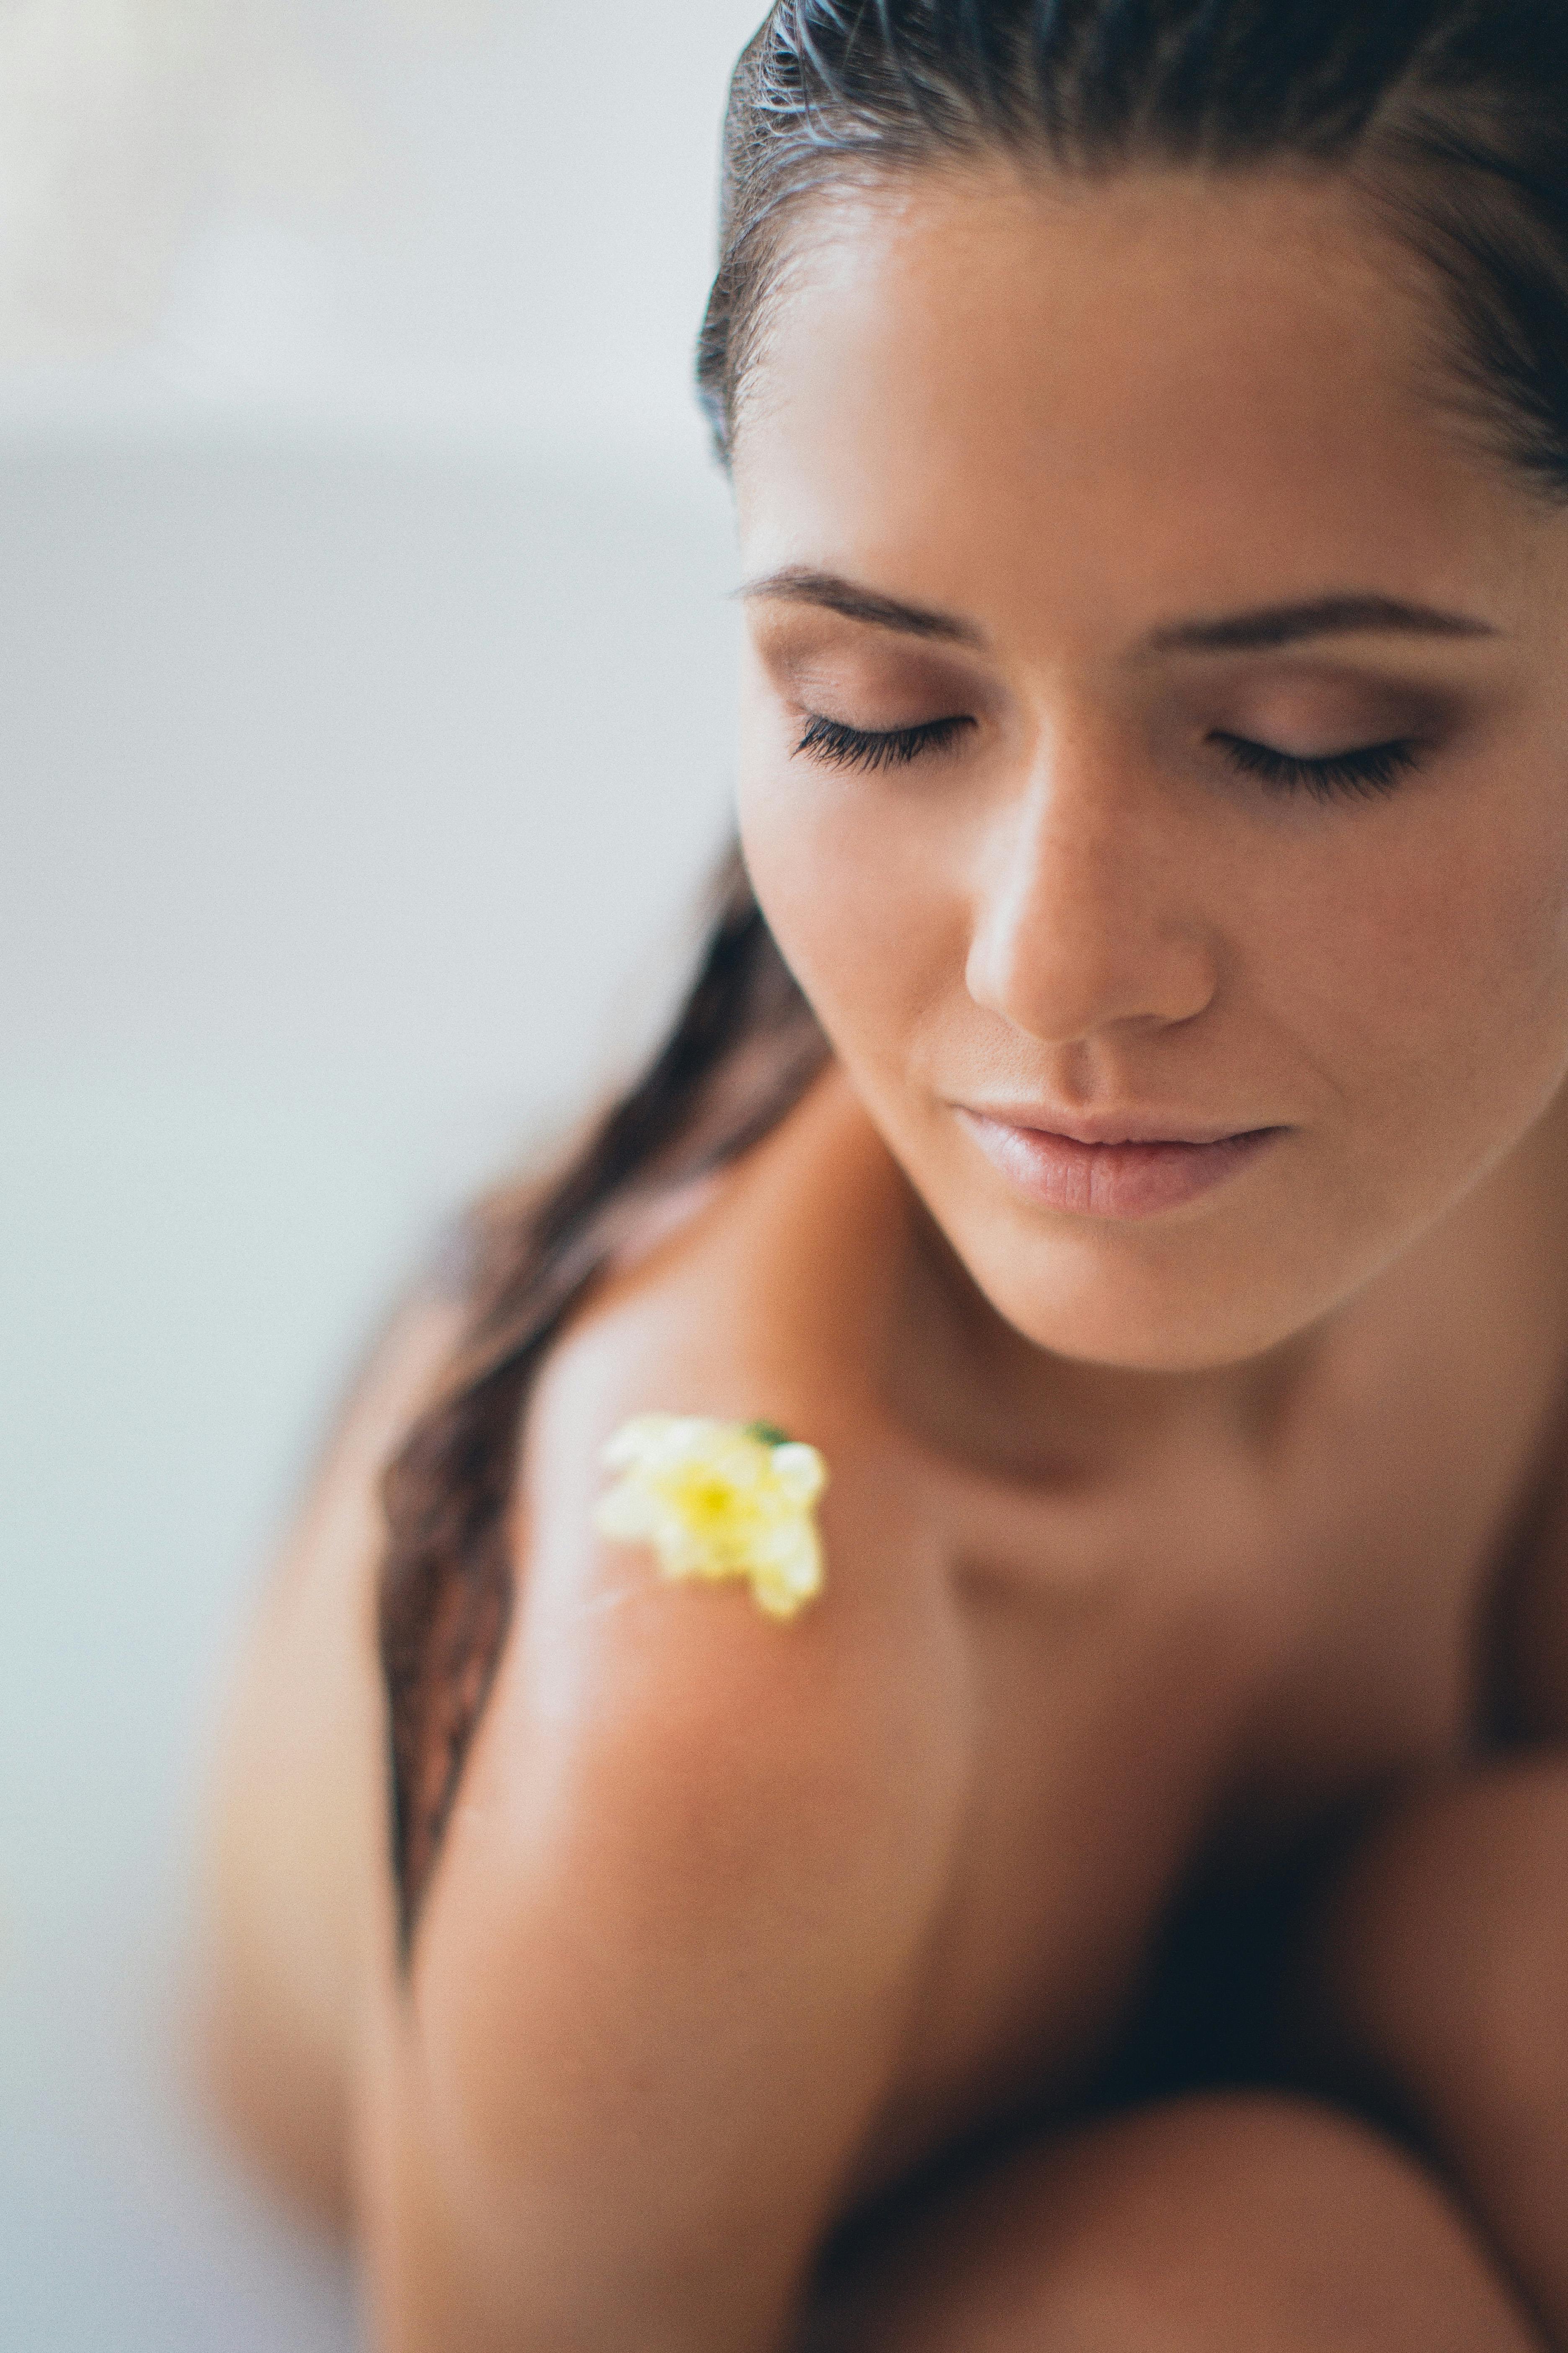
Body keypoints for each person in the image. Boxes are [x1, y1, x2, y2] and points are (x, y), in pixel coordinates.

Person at [201, 5, 1568, 2346]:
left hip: (1312, 1955)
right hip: (705, 2206)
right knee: (1257, 2287)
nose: (1057, 968)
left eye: (1305, 743)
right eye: (874, 710)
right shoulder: (719, 1697)